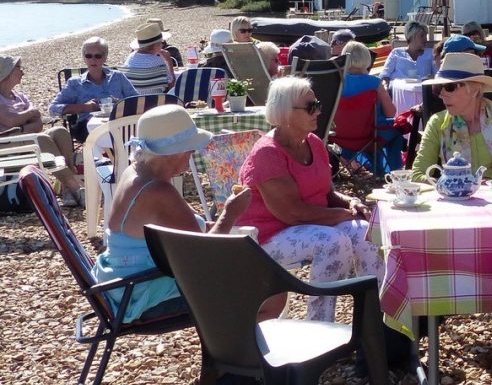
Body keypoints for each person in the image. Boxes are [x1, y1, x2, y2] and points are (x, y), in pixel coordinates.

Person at [234, 76, 383, 322]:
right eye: (311, 107)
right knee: (333, 241)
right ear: (284, 112)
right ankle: (320, 324)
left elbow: (326, 194)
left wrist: (349, 203)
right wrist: (343, 214)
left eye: (318, 105)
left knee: (366, 232)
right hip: (264, 236)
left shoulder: (313, 143)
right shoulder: (267, 154)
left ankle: (374, 321)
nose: (318, 111)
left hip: (308, 226)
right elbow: (291, 214)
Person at [92, 105, 251, 321]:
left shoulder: (135, 172)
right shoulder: (158, 191)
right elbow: (204, 255)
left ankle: (232, 349)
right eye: (190, 148)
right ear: (172, 153)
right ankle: (234, 351)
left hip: (120, 283)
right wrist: (230, 213)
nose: (193, 153)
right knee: (261, 290)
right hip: (139, 294)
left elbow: (176, 230)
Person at [411, 53, 492, 182]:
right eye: (438, 88)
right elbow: (417, 174)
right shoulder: (438, 123)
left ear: (475, 88)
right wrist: (443, 184)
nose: (442, 95)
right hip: (457, 200)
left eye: (449, 87)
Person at [0, 55, 83, 205]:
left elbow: (38, 124)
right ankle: (75, 187)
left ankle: (66, 187)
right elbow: (11, 120)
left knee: (60, 132)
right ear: (9, 72)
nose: (23, 73)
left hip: (23, 140)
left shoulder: (19, 96)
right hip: (6, 145)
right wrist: (29, 115)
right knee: (41, 140)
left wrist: (22, 125)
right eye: (19, 68)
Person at [48, 36, 138, 142]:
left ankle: (113, 154)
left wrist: (119, 103)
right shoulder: (75, 83)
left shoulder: (117, 77)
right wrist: (85, 107)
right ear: (84, 58)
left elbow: (138, 100)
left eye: (98, 56)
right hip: (88, 126)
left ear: (105, 58)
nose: (93, 60)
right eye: (88, 56)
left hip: (118, 122)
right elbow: (52, 109)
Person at [338, 41, 402, 172]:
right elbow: (391, 113)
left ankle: (351, 158)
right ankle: (396, 171)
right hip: (370, 135)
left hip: (341, 136)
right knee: (397, 130)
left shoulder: (336, 83)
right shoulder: (375, 83)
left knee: (364, 126)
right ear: (367, 58)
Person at [123, 22, 176, 91]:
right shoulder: (156, 61)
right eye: (161, 42)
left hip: (133, 100)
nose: (162, 45)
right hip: (155, 100)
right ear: (155, 46)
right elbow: (171, 85)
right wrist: (168, 60)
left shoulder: (130, 57)